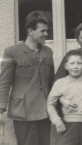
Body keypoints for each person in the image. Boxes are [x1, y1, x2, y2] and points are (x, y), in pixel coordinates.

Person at [0, 11, 54, 145]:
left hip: (44, 110)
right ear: (30, 31)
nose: (46, 35)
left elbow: (52, 81)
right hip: (24, 112)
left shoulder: (48, 51)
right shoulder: (11, 52)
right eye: (43, 31)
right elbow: (4, 83)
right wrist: (1, 109)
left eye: (47, 31)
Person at [47, 49, 82, 145]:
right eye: (72, 63)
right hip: (69, 125)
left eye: (79, 63)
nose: (75, 67)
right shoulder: (60, 83)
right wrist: (57, 121)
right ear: (66, 66)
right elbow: (50, 104)